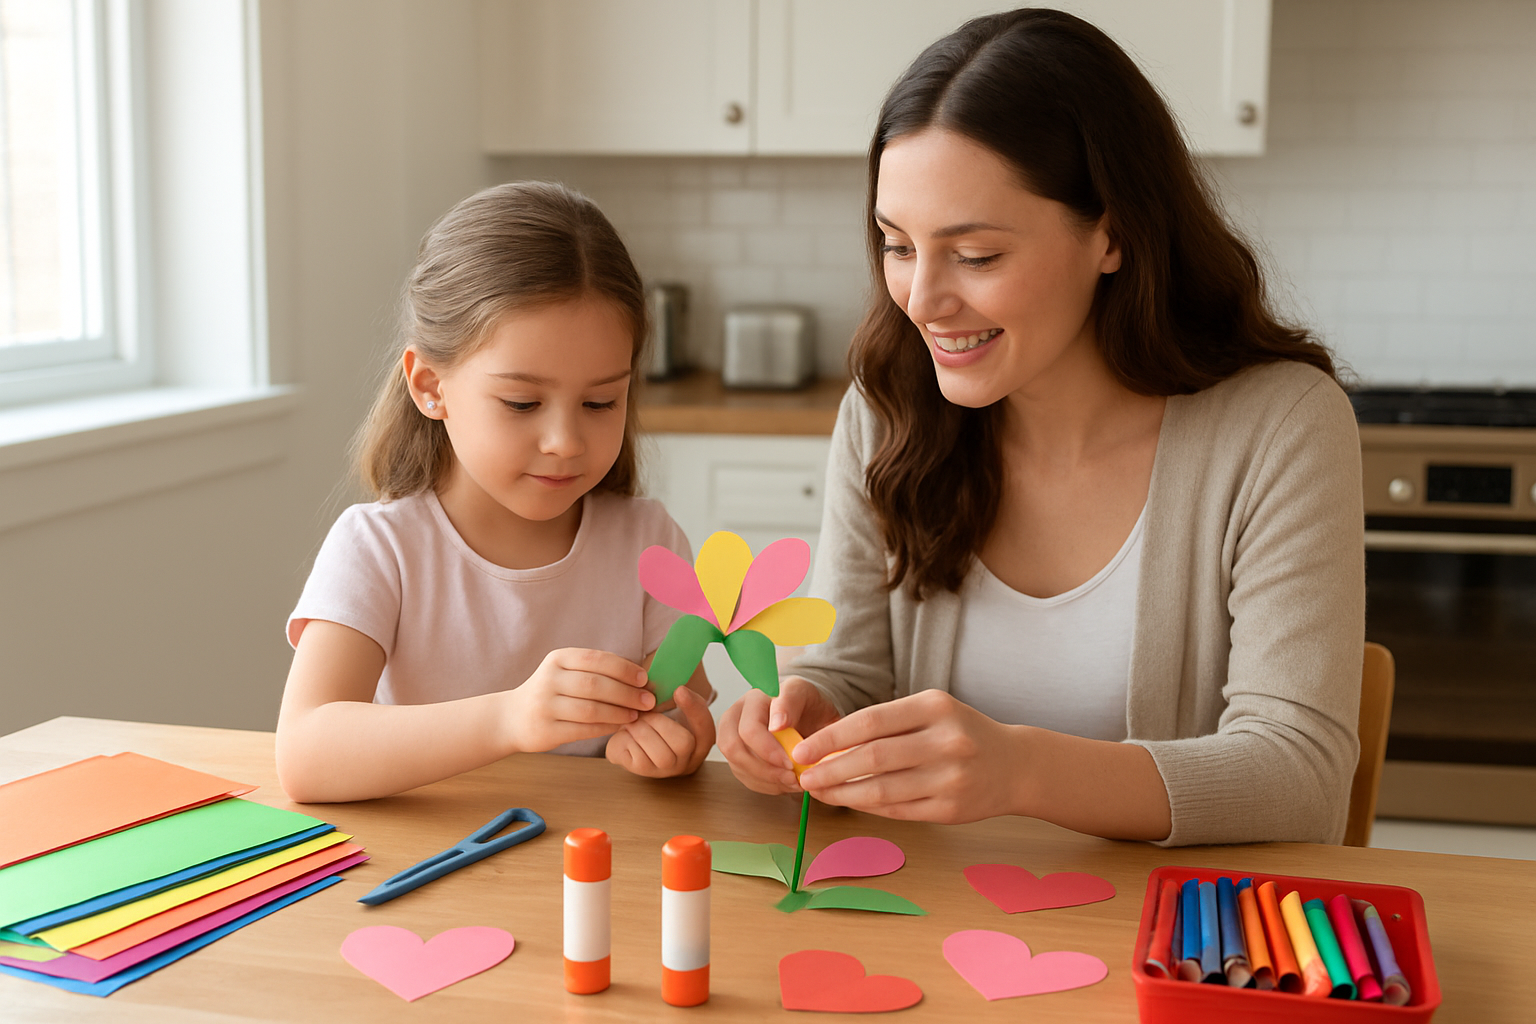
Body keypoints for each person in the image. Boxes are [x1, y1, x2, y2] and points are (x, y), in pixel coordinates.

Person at [718, 9, 1365, 846]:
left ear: (1113, 234)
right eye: (897, 244)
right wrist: (809, 711)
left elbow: (1300, 775)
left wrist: (1019, 772)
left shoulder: (1278, 428)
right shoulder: (886, 410)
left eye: (977, 255)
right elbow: (852, 669)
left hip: (1170, 940)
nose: (921, 300)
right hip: (932, 919)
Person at [277, 182, 714, 803]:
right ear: (431, 386)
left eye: (600, 401)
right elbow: (304, 754)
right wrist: (511, 718)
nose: (565, 440)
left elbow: (680, 712)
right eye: (522, 402)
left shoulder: (649, 541)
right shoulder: (379, 548)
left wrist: (672, 745)